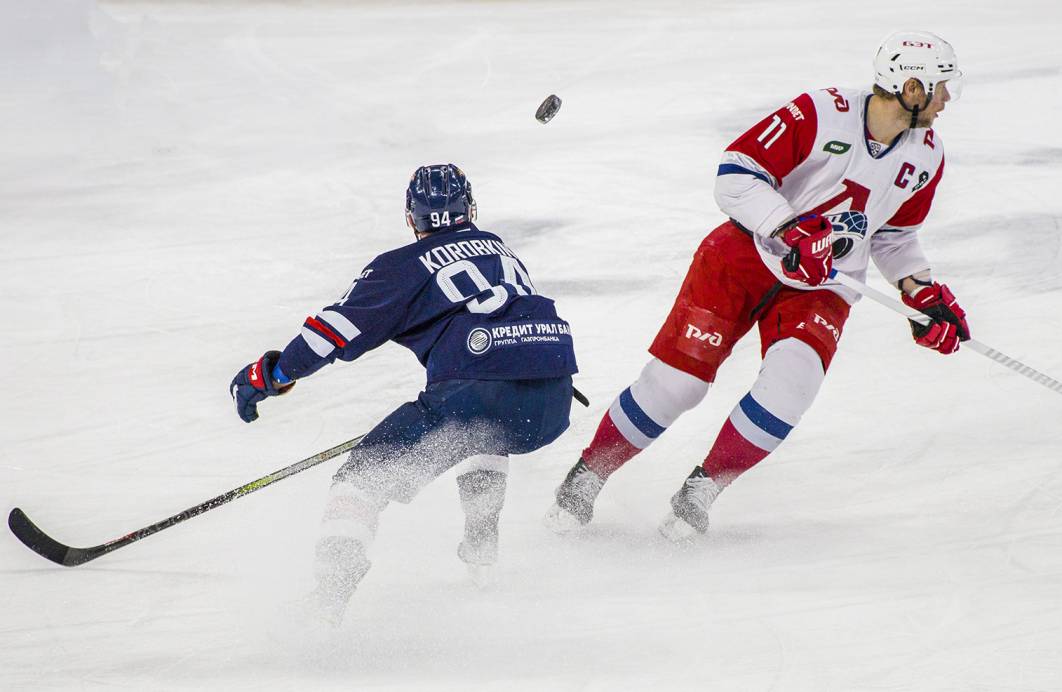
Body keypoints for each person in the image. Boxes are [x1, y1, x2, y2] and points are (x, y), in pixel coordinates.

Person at [544, 31, 969, 541]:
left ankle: (700, 492)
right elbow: (735, 174)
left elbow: (895, 235)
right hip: (742, 257)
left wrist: (918, 292)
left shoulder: (927, 156)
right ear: (912, 86)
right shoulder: (821, 112)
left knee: (792, 386)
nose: (947, 100)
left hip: (823, 285)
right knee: (679, 385)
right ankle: (587, 476)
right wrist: (789, 230)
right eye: (942, 87)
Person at [230, 164, 577, 621]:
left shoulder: (402, 266)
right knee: (486, 430)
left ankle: (326, 602)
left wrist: (268, 375)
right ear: (469, 209)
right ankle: (481, 543)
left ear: (412, 218)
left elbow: (334, 332)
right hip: (553, 396)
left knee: (360, 482)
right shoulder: (500, 249)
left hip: (477, 394)